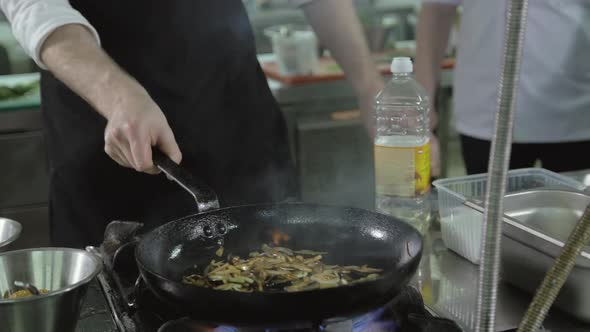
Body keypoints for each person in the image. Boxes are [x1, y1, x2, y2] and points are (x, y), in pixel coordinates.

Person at [1, 0, 383, 247]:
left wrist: (370, 87)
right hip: (107, 130)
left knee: (276, 279)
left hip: (234, 118)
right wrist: (117, 97)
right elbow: (34, 6)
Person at [415, 0, 590, 175]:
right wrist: (420, 105)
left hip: (576, 115)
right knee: (487, 200)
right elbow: (437, 10)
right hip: (485, 116)